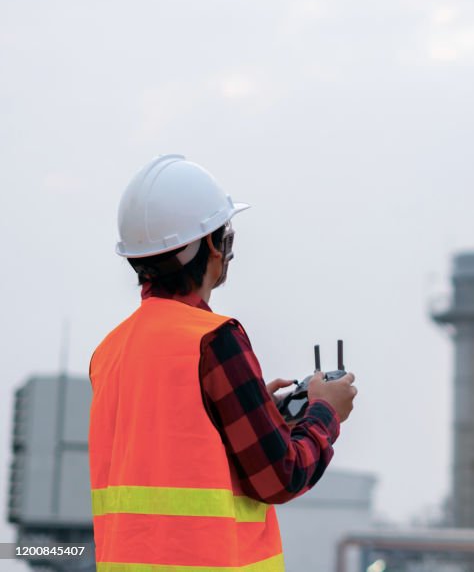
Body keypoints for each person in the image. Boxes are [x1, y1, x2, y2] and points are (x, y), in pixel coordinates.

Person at [89, 154, 357, 571]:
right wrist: (326, 411)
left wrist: (256, 417)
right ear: (214, 244)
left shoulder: (109, 352)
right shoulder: (215, 341)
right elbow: (283, 476)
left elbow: (177, 460)